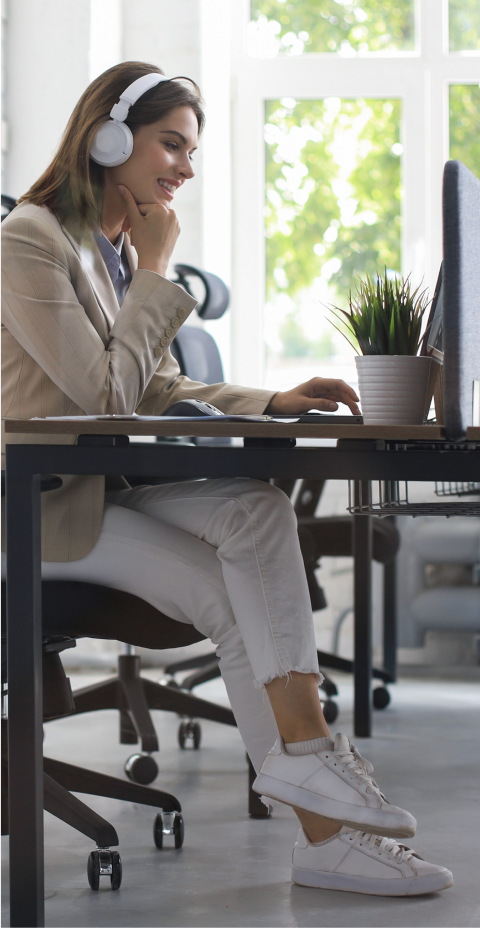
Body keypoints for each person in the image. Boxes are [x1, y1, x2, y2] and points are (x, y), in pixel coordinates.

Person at [0, 61, 452, 897]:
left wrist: (272, 397)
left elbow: (158, 386)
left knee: (255, 512)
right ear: (107, 136)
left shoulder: (108, 252)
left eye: (191, 150)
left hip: (99, 492)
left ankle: (313, 784)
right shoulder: (30, 238)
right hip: (35, 510)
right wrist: (160, 276)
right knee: (223, 582)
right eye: (170, 143)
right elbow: (100, 395)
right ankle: (323, 819)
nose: (184, 166)